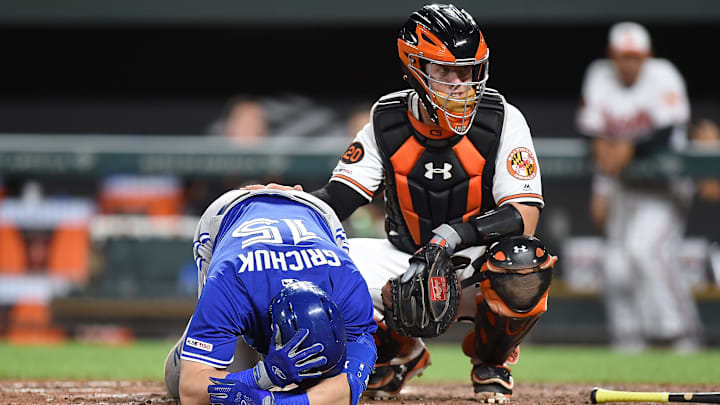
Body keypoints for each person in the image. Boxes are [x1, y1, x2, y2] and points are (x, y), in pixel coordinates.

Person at [310, 4, 553, 403]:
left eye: (468, 71)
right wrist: (291, 204)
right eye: (445, 72)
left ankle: (491, 362)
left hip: (473, 258)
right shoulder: (386, 120)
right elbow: (338, 197)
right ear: (415, 68)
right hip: (405, 258)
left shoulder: (503, 118)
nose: (460, 84)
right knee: (318, 266)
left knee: (526, 259)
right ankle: (399, 353)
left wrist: (454, 236)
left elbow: (523, 217)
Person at [162, 186, 377, 405]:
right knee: (183, 382)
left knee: (324, 376)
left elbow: (349, 383)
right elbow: (191, 391)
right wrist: (264, 375)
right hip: (226, 215)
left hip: (317, 213)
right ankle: (200, 341)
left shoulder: (346, 282)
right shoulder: (230, 283)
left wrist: (271, 400)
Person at [576, 22, 702, 352]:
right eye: (623, 56)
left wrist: (628, 147)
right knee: (615, 263)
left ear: (647, 56)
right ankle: (628, 342)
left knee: (645, 250)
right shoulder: (599, 76)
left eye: (636, 56)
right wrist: (601, 187)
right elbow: (595, 136)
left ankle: (681, 336)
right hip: (623, 186)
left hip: (664, 186)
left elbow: (666, 130)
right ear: (612, 56)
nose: (629, 63)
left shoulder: (663, 75)